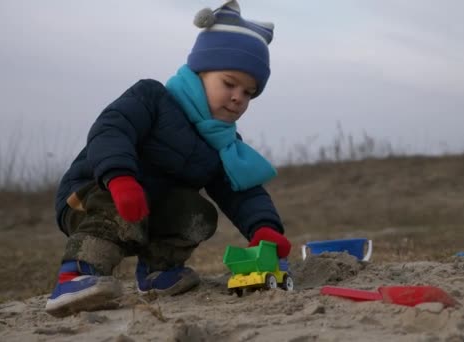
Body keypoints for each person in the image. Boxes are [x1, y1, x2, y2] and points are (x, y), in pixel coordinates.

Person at [45, 0, 291, 318]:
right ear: (200, 72)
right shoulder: (152, 98)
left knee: (198, 212)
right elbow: (111, 130)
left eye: (248, 93)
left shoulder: (223, 142)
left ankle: (158, 272)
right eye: (229, 83)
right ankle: (75, 275)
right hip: (94, 192)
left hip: (150, 207)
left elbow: (241, 191)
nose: (237, 98)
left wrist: (263, 227)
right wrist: (119, 176)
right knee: (113, 206)